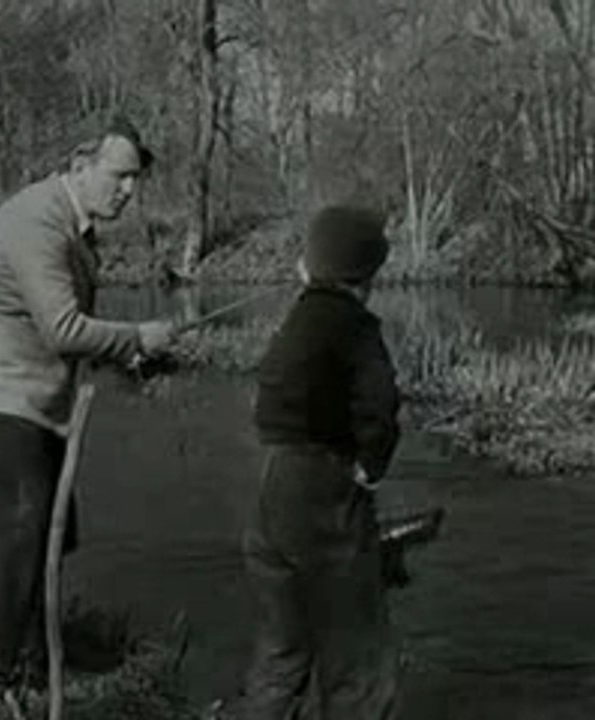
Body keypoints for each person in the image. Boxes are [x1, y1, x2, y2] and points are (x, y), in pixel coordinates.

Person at [0, 115, 177, 698]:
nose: (129, 191)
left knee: (47, 529)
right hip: (1, 393)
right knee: (18, 518)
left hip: (32, 395)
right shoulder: (38, 221)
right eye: (119, 176)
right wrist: (138, 337)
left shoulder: (72, 224)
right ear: (79, 165)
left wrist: (125, 357)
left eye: (135, 180)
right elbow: (62, 328)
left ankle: (23, 654)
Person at [240, 205, 401, 718]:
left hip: (275, 488)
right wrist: (370, 468)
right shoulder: (355, 326)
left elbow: (269, 403)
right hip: (326, 493)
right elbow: (380, 409)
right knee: (356, 660)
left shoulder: (297, 320)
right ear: (369, 273)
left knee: (280, 650)